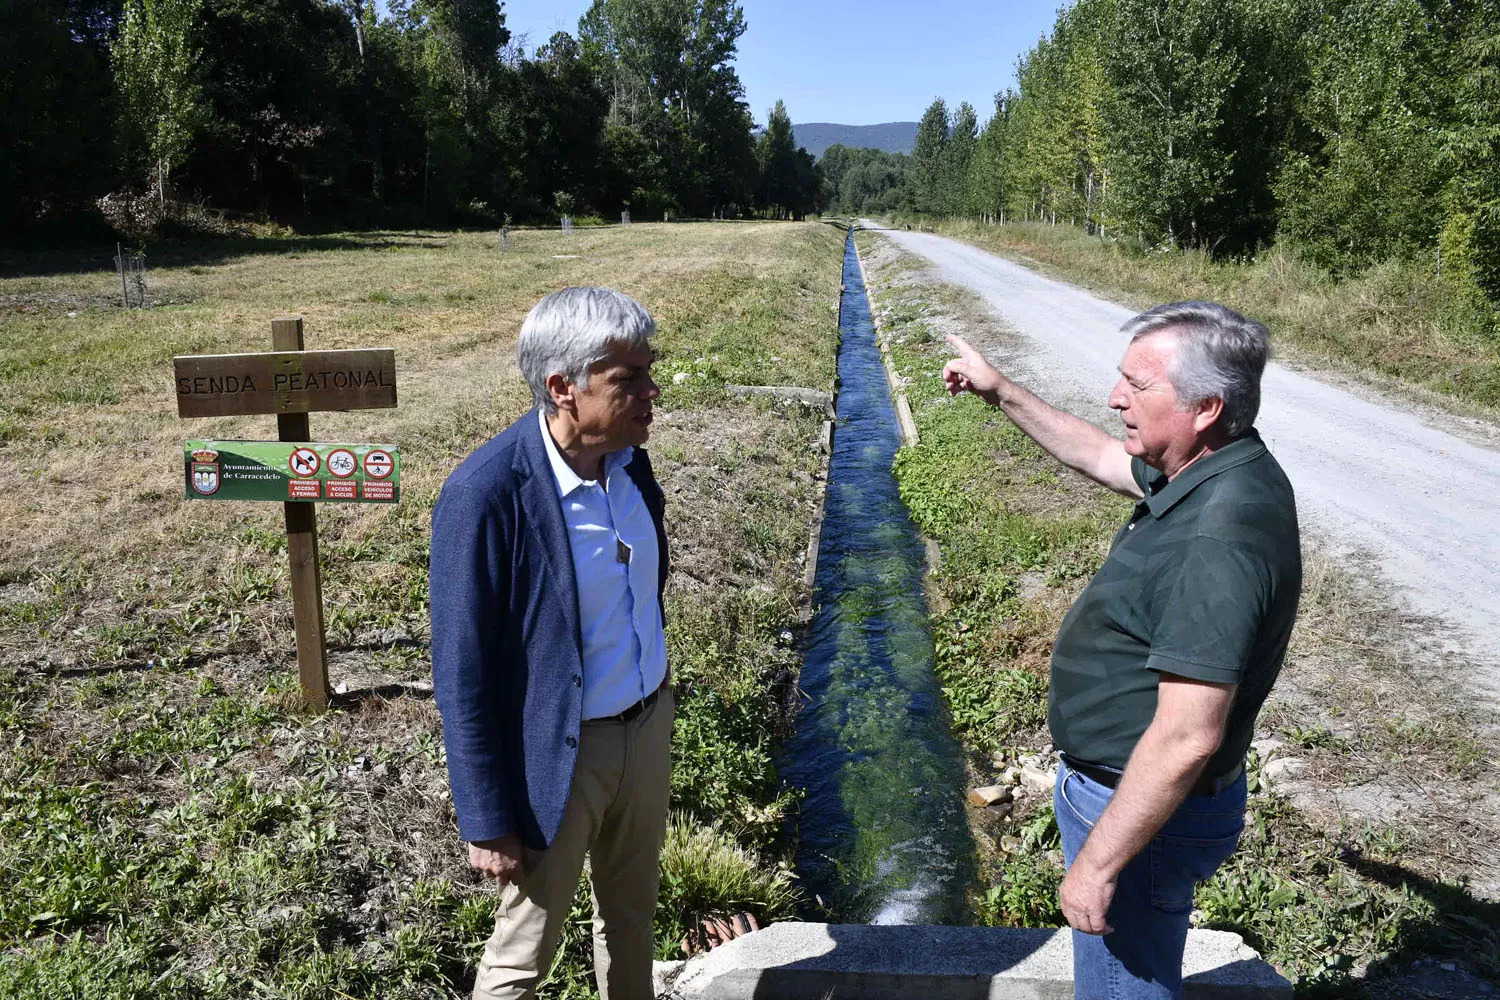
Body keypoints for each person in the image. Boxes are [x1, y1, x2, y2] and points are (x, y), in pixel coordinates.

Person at [943, 301, 1301, 999]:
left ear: (1204, 408)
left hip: (1140, 815)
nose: (1115, 398)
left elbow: (1187, 736)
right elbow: (1102, 455)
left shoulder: (1217, 538)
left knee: (1123, 988)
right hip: (1134, 801)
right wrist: (1002, 390)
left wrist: (1100, 865)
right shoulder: (1211, 465)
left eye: (1136, 386)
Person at [431, 286, 671, 1000]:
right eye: (628, 379)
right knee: (522, 955)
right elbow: (462, 671)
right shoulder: (486, 496)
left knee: (631, 919)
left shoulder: (629, 462)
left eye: (650, 372)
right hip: (561, 756)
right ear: (563, 387)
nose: (652, 392)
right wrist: (486, 818)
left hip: (646, 728)